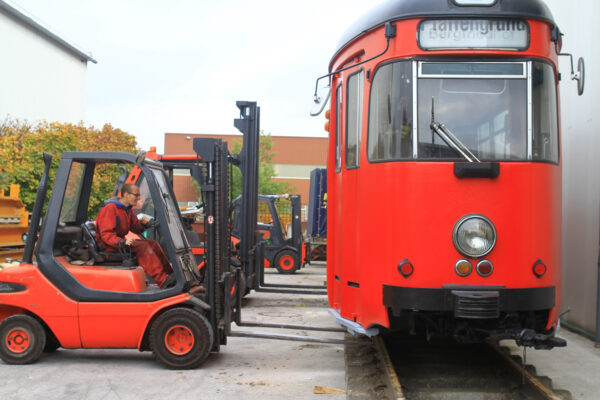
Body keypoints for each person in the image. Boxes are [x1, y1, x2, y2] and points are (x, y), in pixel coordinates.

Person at [96, 183, 175, 288]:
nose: (138, 198)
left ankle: (171, 274)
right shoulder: (110, 209)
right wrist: (122, 242)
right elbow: (106, 235)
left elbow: (136, 227)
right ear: (126, 194)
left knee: (153, 244)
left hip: (120, 243)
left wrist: (145, 223)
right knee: (144, 246)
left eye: (139, 195)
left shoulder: (127, 210)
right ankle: (162, 279)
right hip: (110, 246)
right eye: (136, 195)